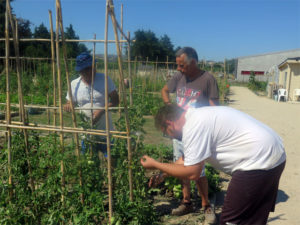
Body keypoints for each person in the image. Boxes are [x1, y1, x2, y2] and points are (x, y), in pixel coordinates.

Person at [141, 104, 286, 225]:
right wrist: (163, 175)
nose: (170, 136)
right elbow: (187, 159)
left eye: (166, 133)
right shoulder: (197, 117)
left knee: (230, 221)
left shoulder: (193, 126)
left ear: (169, 124)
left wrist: (156, 164)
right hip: (274, 154)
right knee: (253, 217)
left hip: (257, 161)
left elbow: (193, 172)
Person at [158, 47, 219, 221]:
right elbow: (164, 91)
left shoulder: (208, 80)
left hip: (198, 133)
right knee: (181, 169)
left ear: (193, 62)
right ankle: (187, 202)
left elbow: (215, 109)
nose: (178, 69)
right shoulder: (179, 77)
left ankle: (206, 205)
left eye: (182, 65)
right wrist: (169, 106)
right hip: (179, 133)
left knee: (198, 171)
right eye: (177, 65)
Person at [63, 52, 119, 155]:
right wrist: (68, 104)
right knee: (89, 163)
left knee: (111, 160)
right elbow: (70, 101)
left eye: (90, 68)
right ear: (80, 71)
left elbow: (116, 100)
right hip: (86, 133)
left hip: (104, 131)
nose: (88, 72)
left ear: (94, 66)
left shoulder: (104, 79)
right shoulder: (74, 84)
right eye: (85, 70)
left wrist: (101, 111)